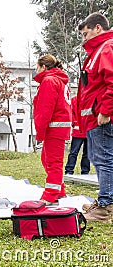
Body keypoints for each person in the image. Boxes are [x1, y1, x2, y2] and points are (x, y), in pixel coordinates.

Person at [76, 12, 113, 222]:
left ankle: (104, 208)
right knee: (100, 161)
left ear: (97, 28)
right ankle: (104, 200)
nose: (84, 39)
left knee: (105, 160)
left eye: (85, 33)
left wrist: (105, 111)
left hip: (102, 118)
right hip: (94, 117)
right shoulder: (98, 51)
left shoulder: (106, 48)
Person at [33, 54, 72, 205]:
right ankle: (59, 189)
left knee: (53, 162)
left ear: (43, 67)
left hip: (53, 127)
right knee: (47, 159)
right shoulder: (59, 80)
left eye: (37, 67)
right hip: (59, 127)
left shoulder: (49, 81)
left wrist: (40, 132)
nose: (36, 71)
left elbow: (45, 109)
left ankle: (51, 193)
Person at [64, 95, 90, 175]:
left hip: (83, 130)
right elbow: (71, 113)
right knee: (82, 153)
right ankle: (82, 171)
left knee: (76, 153)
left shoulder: (75, 99)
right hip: (83, 131)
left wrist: (74, 123)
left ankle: (70, 170)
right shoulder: (76, 100)